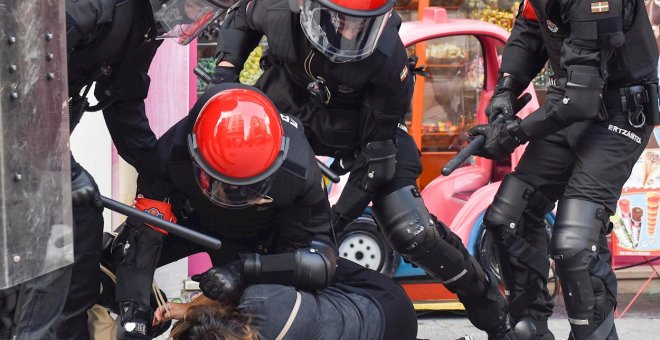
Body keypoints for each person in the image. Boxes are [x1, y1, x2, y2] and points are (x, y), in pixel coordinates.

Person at [212, 0, 512, 338]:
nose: (352, 32)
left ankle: (493, 313)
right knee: (251, 204)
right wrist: (225, 72)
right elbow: (240, 18)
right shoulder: (279, 11)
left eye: (363, 25)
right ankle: (228, 316)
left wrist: (332, 223)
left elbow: (377, 165)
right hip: (288, 117)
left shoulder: (388, 58)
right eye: (341, 21)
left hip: (363, 134)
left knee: (412, 231)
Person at [468, 0, 660, 338]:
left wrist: (514, 134)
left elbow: (581, 98)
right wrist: (506, 89)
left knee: (575, 242)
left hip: (618, 113)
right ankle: (530, 328)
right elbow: (530, 29)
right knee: (508, 216)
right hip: (570, 99)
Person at [111, 83, 338, 339]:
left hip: (263, 243)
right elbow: (147, 226)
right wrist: (134, 310)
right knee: (113, 263)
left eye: (247, 188)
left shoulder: (299, 171)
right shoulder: (171, 151)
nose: (233, 197)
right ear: (193, 152)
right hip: (193, 223)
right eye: (223, 185)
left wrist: (243, 272)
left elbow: (320, 259)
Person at [62, 1, 232, 339]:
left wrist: (160, 168)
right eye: (199, 1)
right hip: (20, 135)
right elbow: (25, 61)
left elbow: (123, 96)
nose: (195, 14)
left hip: (42, 141)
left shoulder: (144, 23)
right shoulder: (96, 7)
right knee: (81, 215)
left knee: (80, 226)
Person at [153, 258, 417, 340]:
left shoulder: (266, 300)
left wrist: (188, 310)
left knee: (310, 264)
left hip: (383, 306)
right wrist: (189, 309)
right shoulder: (263, 299)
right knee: (308, 263)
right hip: (392, 313)